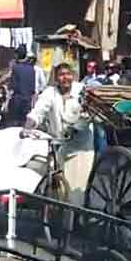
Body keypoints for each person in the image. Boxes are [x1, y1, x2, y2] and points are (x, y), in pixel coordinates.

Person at [26, 63, 94, 201]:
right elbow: (38, 112)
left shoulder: (81, 91)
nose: (65, 78)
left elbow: (89, 112)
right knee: (57, 188)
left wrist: (81, 122)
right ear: (56, 78)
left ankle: (75, 219)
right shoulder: (50, 93)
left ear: (73, 76)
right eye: (61, 75)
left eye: (68, 74)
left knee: (76, 191)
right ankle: (56, 217)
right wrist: (28, 126)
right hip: (58, 146)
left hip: (81, 147)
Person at [9, 45, 36, 126]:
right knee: (24, 124)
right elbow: (32, 88)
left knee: (14, 124)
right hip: (27, 100)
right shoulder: (31, 69)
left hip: (17, 100)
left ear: (17, 55)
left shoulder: (16, 68)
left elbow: (13, 85)